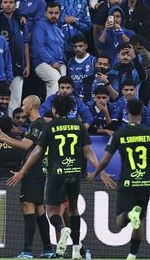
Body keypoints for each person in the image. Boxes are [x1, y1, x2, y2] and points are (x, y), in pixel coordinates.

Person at [8, 94, 115, 259]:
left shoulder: (50, 126)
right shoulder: (79, 126)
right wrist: (101, 171)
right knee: (73, 209)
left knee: (51, 211)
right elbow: (88, 151)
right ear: (71, 109)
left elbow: (37, 151)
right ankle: (77, 248)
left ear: (54, 109)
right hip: (74, 173)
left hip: (56, 173)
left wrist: (22, 172)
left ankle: (62, 228)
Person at [87, 99, 150, 260]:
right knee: (140, 221)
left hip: (127, 182)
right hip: (145, 183)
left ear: (127, 112)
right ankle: (132, 255)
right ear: (142, 113)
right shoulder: (148, 133)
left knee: (121, 222)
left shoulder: (120, 134)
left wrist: (96, 173)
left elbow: (107, 158)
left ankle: (129, 215)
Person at [0, 95, 53, 259]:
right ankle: (47, 249)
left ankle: (27, 251)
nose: (22, 106)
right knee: (39, 210)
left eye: (24, 104)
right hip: (37, 171)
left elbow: (26, 145)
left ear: (31, 105)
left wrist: (4, 137)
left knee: (28, 206)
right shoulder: (35, 124)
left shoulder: (38, 124)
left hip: (33, 171)